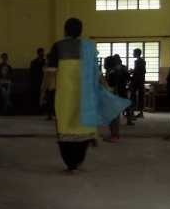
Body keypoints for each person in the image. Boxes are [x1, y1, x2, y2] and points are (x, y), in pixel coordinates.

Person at [50, 18, 129, 172]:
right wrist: (106, 87)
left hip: (65, 96)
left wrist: (43, 91)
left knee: (65, 127)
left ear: (65, 30)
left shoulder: (58, 46)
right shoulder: (89, 47)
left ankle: (70, 164)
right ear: (81, 31)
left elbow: (50, 74)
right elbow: (97, 72)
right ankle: (78, 161)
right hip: (86, 95)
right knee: (83, 129)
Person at [105, 54, 131, 141]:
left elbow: (112, 86)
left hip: (114, 96)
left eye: (105, 63)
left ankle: (115, 135)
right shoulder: (116, 70)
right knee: (113, 116)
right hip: (117, 94)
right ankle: (114, 134)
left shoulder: (113, 72)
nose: (104, 65)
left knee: (113, 117)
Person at [130, 48, 147, 118]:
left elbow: (137, 71)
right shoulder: (142, 61)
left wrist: (131, 71)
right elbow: (142, 71)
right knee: (141, 96)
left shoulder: (137, 61)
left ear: (137, 53)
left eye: (133, 52)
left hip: (136, 81)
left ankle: (132, 112)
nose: (133, 54)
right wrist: (133, 71)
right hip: (141, 80)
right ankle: (141, 113)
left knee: (133, 96)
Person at [29, 48, 46, 112]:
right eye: (41, 53)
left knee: (43, 95)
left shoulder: (45, 62)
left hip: (43, 80)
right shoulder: (33, 62)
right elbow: (31, 73)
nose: (42, 54)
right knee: (35, 94)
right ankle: (36, 109)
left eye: (42, 53)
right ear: (38, 53)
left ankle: (42, 109)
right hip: (36, 81)